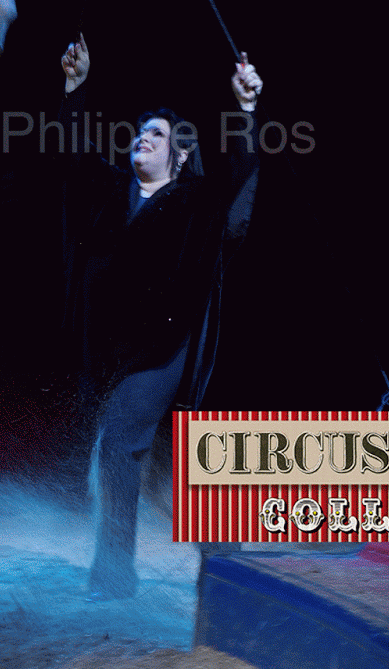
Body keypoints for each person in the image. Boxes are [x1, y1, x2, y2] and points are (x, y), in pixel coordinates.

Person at [58, 34, 262, 601]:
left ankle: (120, 576)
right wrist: (74, 89)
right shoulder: (110, 193)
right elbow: (73, 159)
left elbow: (240, 192)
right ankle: (203, 567)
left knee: (124, 443)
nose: (142, 140)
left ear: (178, 154)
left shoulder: (196, 202)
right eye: (139, 132)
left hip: (168, 347)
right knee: (137, 457)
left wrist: (244, 108)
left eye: (156, 134)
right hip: (117, 352)